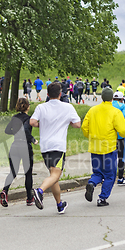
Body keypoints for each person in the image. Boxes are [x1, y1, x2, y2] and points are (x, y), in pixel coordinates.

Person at [29, 82, 81, 214]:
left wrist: (43, 125)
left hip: (45, 146)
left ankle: (60, 205)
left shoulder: (41, 107)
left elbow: (32, 122)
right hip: (58, 146)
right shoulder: (67, 107)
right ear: (60, 94)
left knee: (53, 177)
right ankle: (39, 191)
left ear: (47, 94)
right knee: (55, 175)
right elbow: (77, 124)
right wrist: (67, 122)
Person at [82, 88, 125, 206]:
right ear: (112, 98)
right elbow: (123, 130)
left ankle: (92, 183)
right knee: (110, 175)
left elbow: (84, 127)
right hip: (109, 147)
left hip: (95, 146)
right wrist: (123, 134)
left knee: (97, 172)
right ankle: (102, 198)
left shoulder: (92, 110)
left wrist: (90, 136)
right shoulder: (115, 111)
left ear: (101, 97)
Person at [0, 98, 38, 207]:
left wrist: (15, 132)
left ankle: (5, 191)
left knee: (13, 171)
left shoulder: (14, 118)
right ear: (27, 106)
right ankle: (29, 198)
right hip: (25, 147)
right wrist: (33, 139)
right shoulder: (28, 119)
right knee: (28, 173)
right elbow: (25, 130)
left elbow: (7, 130)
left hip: (15, 146)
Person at [112, 91, 125, 185]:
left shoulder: (109, 105)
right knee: (121, 157)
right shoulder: (123, 106)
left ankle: (108, 177)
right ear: (122, 99)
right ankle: (120, 178)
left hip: (109, 134)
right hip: (119, 135)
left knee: (110, 156)